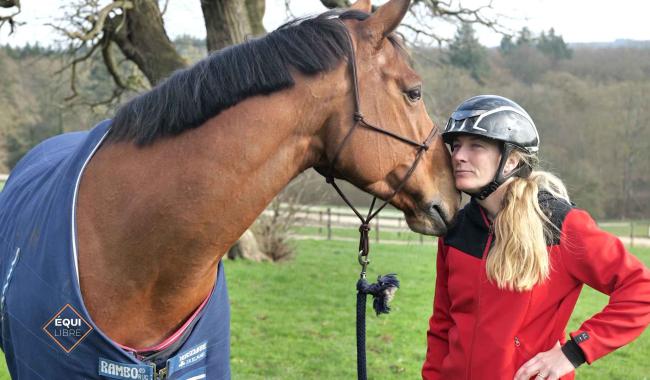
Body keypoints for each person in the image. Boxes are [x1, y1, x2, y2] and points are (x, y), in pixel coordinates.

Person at [422, 95, 650, 380]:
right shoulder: (455, 229)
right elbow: (442, 325)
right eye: (455, 146)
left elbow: (641, 289)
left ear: (511, 160)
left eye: (475, 146)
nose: (458, 156)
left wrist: (573, 352)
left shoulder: (559, 224)